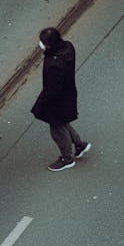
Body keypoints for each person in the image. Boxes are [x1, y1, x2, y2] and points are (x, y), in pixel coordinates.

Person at [31, 27, 91, 171]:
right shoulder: (68, 48)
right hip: (68, 95)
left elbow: (53, 89)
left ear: (49, 45)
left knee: (57, 127)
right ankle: (79, 144)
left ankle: (66, 158)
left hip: (56, 100)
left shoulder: (54, 64)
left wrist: (44, 101)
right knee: (63, 121)